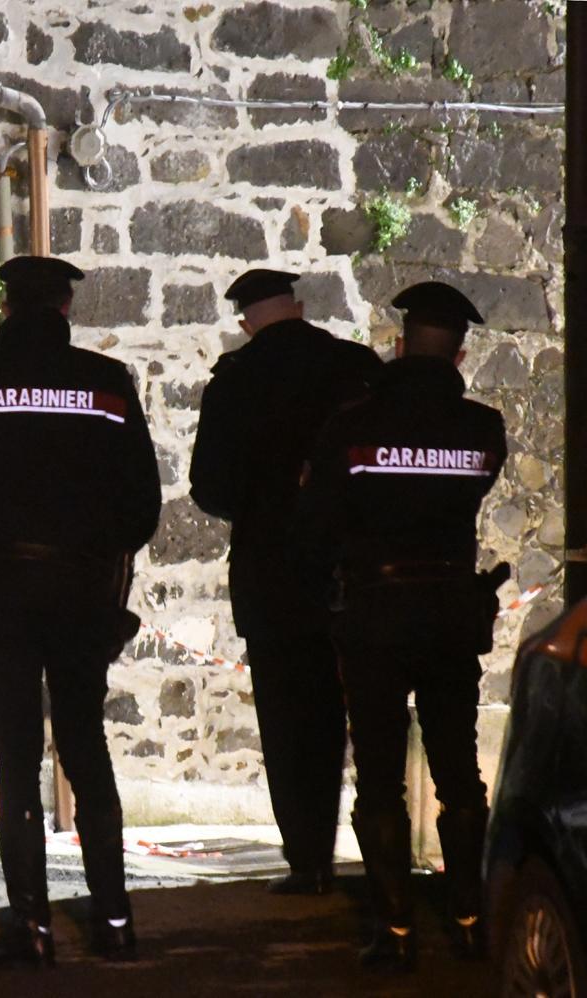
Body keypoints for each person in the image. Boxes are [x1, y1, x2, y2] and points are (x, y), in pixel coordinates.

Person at [0, 255, 163, 967]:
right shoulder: (107, 384)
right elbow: (141, 504)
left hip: (2, 587)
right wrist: (95, 556)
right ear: (63, 309)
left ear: (6, 307)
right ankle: (114, 924)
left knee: (16, 749)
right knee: (85, 742)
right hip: (83, 590)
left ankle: (32, 928)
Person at [298, 282, 507, 971]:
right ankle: (470, 920)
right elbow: (469, 493)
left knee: (380, 776)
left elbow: (318, 521)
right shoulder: (481, 429)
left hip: (373, 616)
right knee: (458, 774)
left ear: (399, 342)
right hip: (450, 615)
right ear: (460, 353)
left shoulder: (350, 426)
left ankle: (393, 932)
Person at [189, 269, 382, 896]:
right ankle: (381, 853)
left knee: (286, 715)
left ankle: (308, 860)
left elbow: (210, 488)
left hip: (270, 573)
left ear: (246, 320)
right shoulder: (356, 367)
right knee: (361, 712)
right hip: (351, 568)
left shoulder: (235, 380)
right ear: (298, 308)